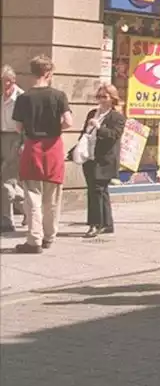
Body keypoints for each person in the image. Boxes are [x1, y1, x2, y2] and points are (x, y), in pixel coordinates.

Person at [12, 55, 74, 254]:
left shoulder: (24, 98)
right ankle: (49, 236)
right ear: (48, 73)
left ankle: (34, 239)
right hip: (53, 148)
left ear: (33, 72)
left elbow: (18, 126)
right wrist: (55, 128)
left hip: (33, 147)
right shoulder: (59, 95)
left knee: (32, 197)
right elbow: (68, 122)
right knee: (52, 197)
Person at [79, 83, 126, 237]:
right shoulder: (92, 113)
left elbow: (113, 136)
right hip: (89, 157)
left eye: (104, 97)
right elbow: (84, 133)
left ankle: (95, 224)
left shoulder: (117, 117)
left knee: (96, 191)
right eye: (99, 96)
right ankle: (107, 223)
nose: (101, 100)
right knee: (100, 191)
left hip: (104, 159)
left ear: (112, 99)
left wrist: (99, 127)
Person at [2, 65, 24, 233]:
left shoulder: (21, 97)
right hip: (2, 135)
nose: (5, 84)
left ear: (13, 80)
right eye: (2, 81)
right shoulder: (2, 96)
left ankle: (7, 221)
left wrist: (23, 142)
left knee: (7, 180)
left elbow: (25, 123)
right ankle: (28, 206)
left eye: (7, 81)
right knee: (9, 181)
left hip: (15, 138)